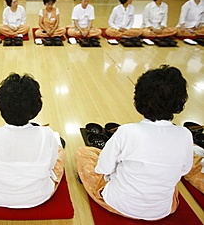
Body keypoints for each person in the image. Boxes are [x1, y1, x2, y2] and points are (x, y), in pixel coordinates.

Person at [76, 65, 193, 220]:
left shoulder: (127, 132)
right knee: (168, 180)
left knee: (85, 153)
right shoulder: (185, 135)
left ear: (139, 99)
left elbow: (103, 168)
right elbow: (184, 170)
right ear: (180, 102)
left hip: (117, 203)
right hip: (162, 210)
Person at [0, 73, 65, 208]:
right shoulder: (47, 134)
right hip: (40, 196)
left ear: (1, 108)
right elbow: (51, 166)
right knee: (59, 151)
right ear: (36, 109)